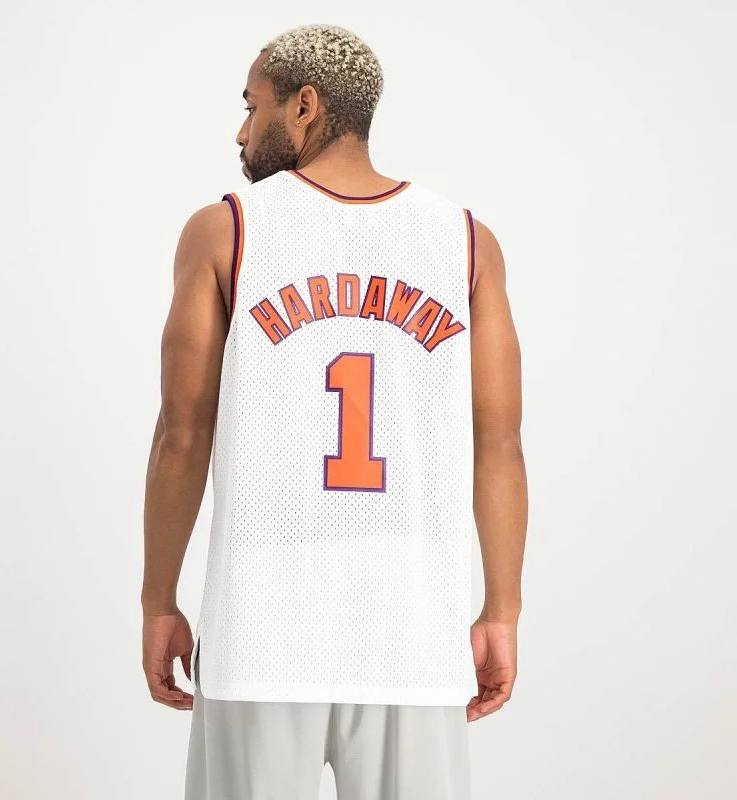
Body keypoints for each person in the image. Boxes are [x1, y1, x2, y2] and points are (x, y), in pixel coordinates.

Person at [141, 23, 527, 800]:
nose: (242, 131)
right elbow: (500, 445)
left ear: (305, 106)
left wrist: (158, 600)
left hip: (262, 623)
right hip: (412, 623)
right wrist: (502, 610)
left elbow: (182, 436)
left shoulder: (227, 230)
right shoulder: (464, 241)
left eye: (253, 106)